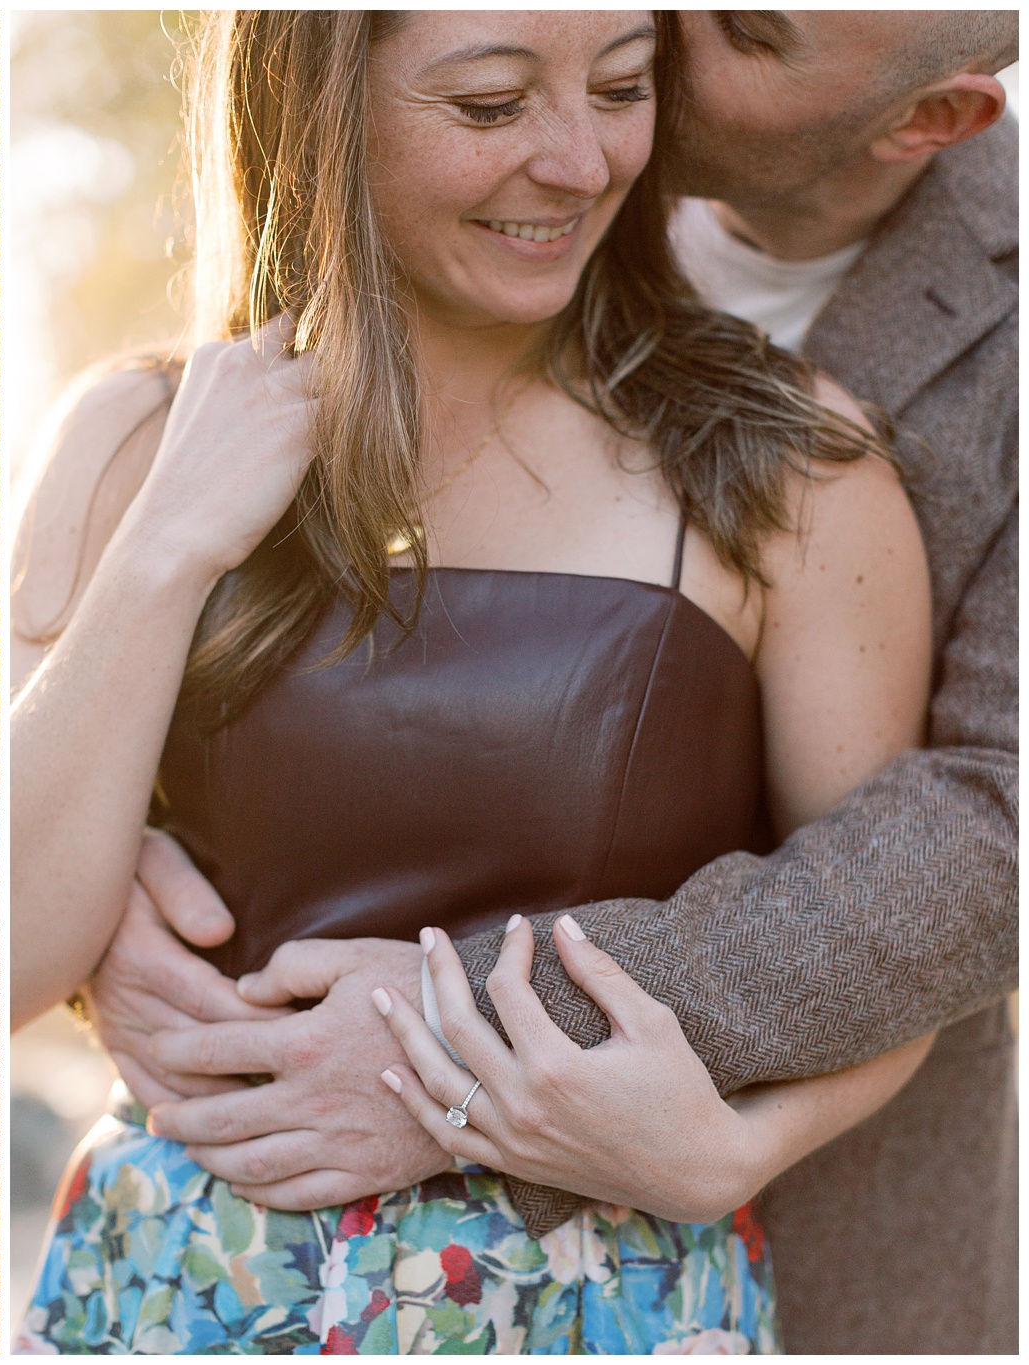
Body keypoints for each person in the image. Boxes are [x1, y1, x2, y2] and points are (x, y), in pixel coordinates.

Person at [67, 9, 1017, 1354]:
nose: (587, 149)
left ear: (925, 119)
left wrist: (464, 1052)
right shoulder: (173, 424)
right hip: (200, 1261)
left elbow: (983, 835)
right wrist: (110, 885)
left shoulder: (825, 438)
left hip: (716, 1238)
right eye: (496, 102)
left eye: (727, 32)